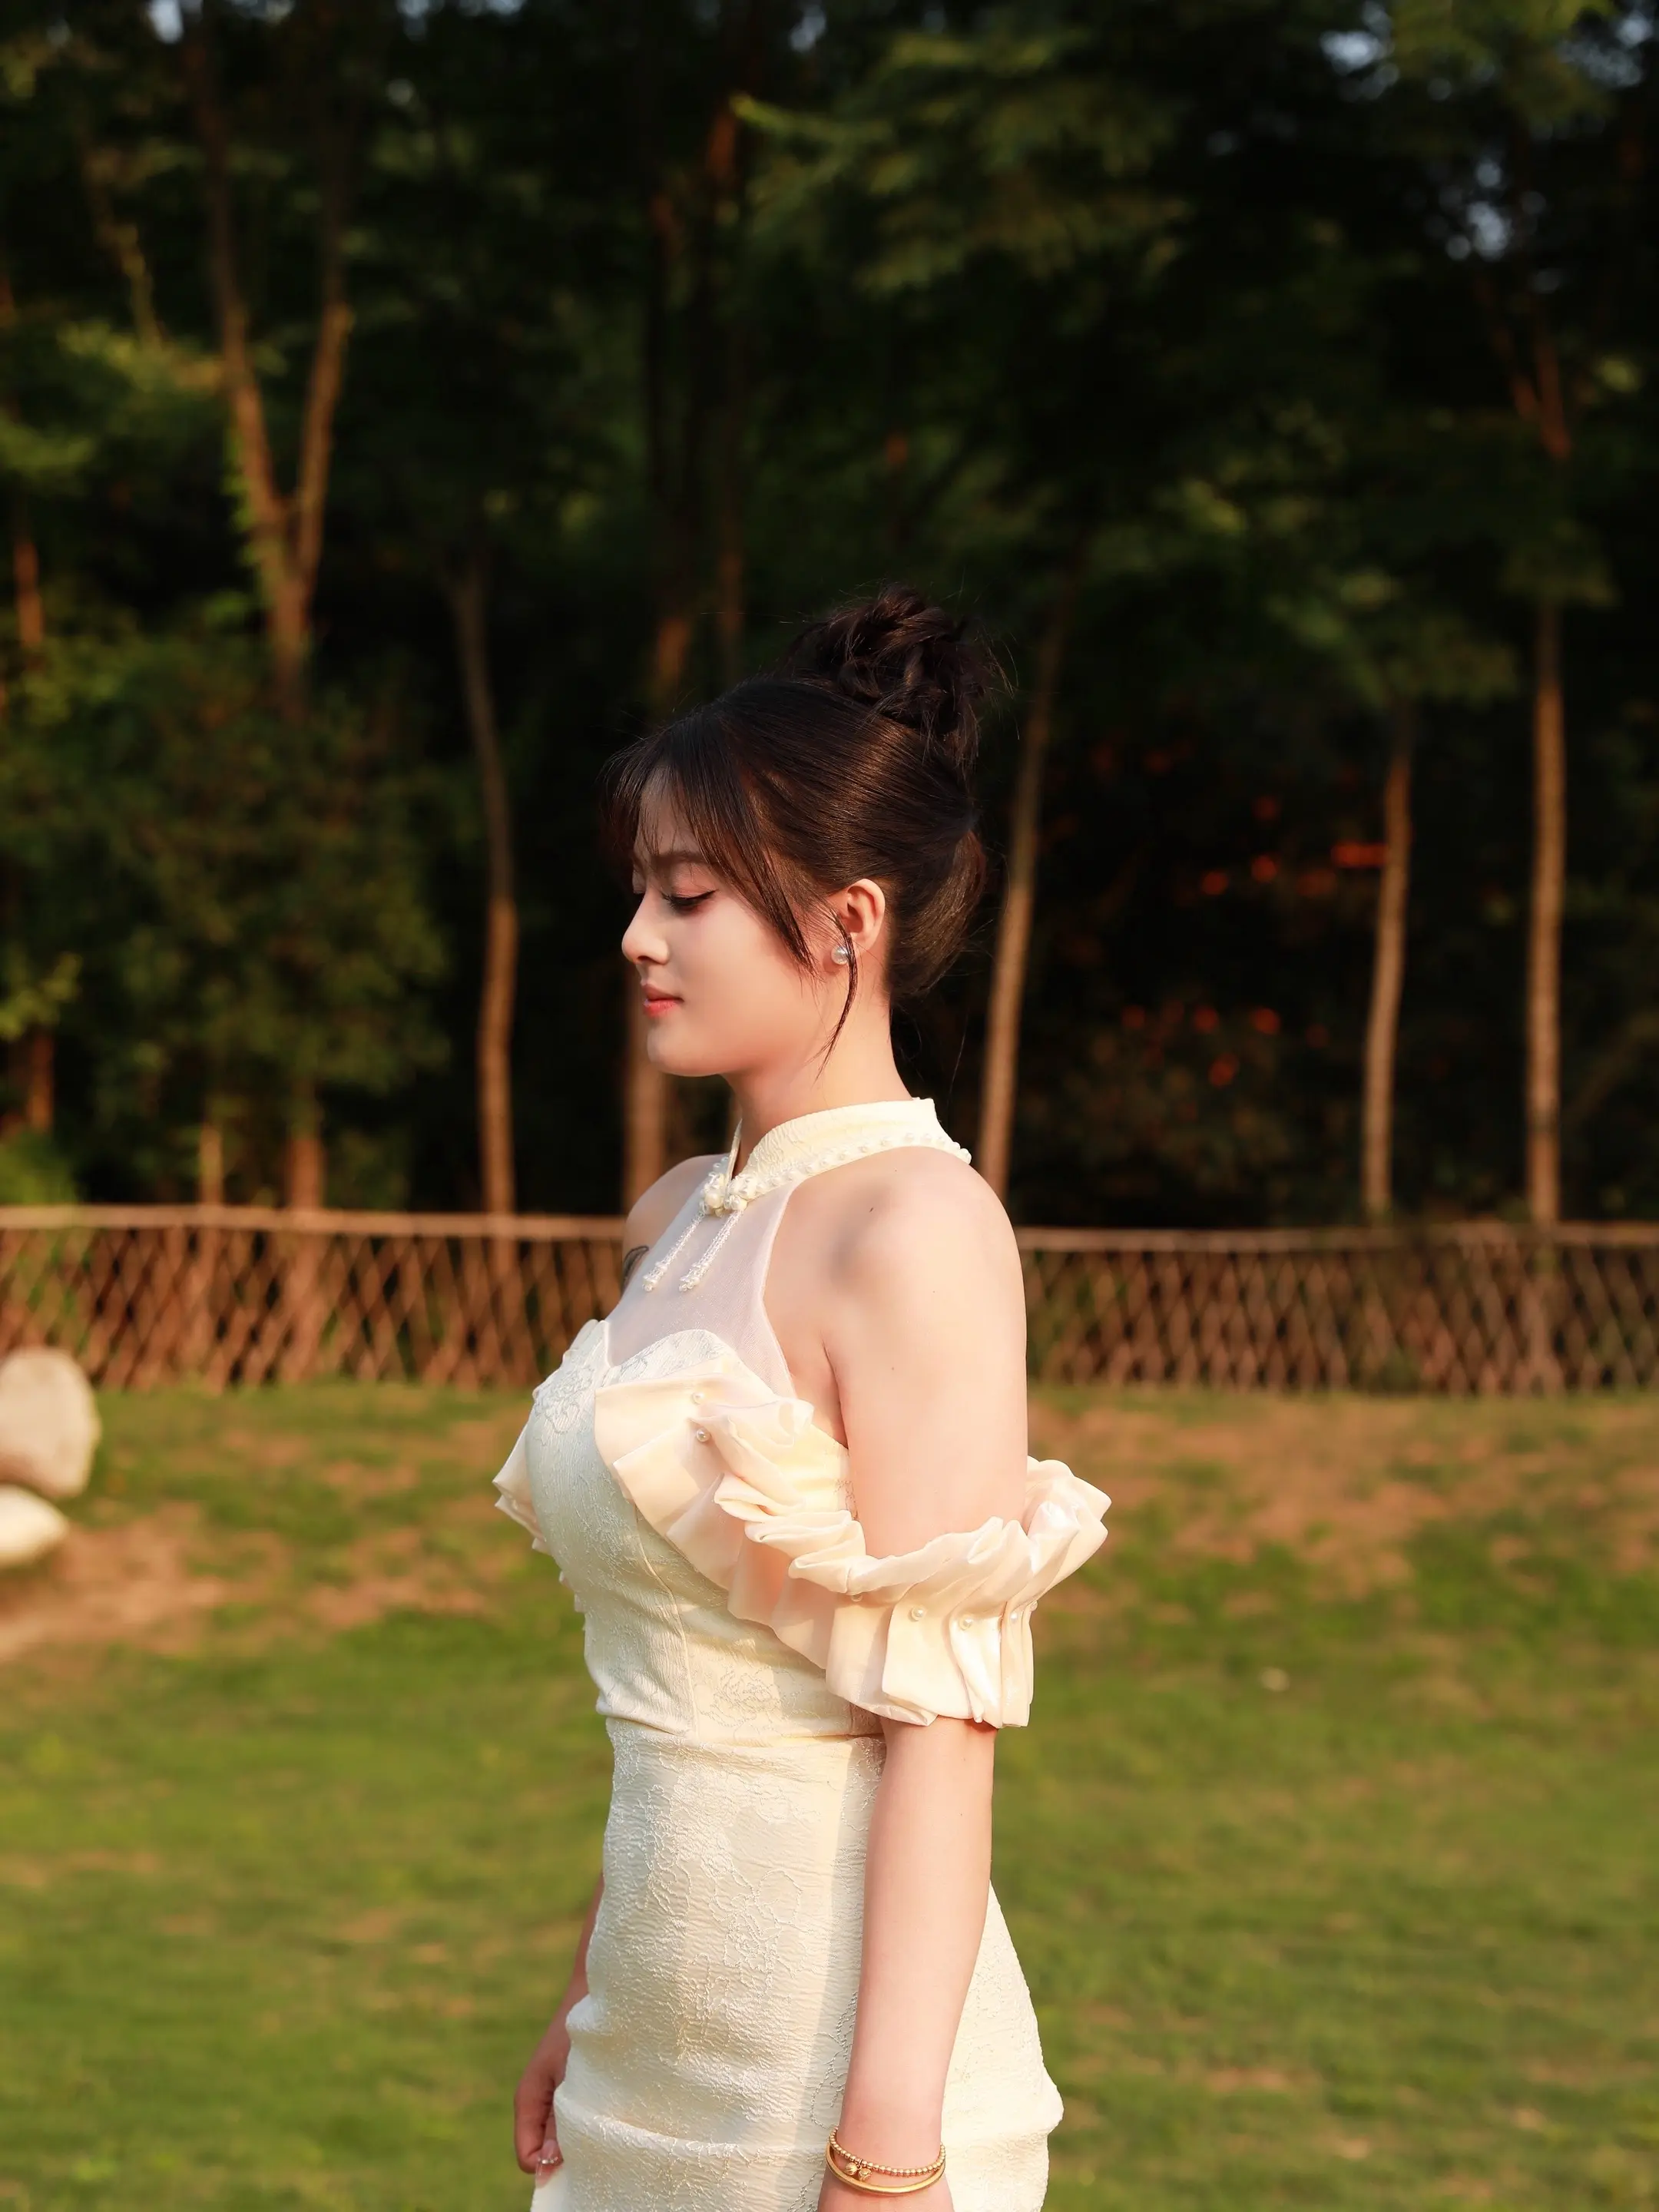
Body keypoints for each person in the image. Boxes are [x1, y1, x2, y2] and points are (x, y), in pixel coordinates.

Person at [492, 586, 1109, 2211]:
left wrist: (885, 2159)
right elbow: (680, 1691)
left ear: (849, 921)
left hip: (830, 2081)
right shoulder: (680, 1218)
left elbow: (941, 1730)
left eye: (689, 895)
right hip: (648, 2053)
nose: (641, 935)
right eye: (641, 888)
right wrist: (588, 1994)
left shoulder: (917, 1229)